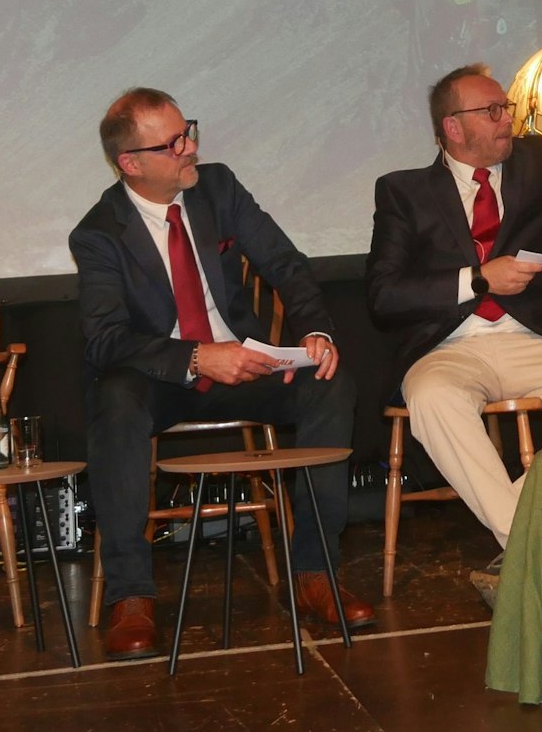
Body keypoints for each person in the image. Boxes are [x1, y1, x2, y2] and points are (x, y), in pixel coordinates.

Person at [71, 88, 373, 661]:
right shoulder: (99, 233)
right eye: (174, 143)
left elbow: (285, 263)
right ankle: (131, 596)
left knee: (331, 382)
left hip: (245, 361)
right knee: (115, 400)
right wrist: (194, 356)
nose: (192, 148)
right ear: (130, 164)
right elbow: (106, 338)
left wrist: (316, 333)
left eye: (190, 132)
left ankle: (314, 572)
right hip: (161, 380)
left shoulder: (218, 188)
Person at [366, 64, 542, 596]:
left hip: (532, 338)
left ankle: (519, 543)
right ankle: (530, 538)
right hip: (450, 345)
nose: (505, 120)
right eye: (490, 111)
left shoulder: (537, 167)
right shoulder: (403, 193)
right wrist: (477, 279)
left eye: (506, 108)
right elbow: (384, 297)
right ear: (453, 127)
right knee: (430, 398)